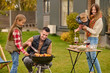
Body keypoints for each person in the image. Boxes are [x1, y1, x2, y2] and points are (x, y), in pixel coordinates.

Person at [83, 4, 103, 73]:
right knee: (88, 56)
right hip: (88, 38)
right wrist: (85, 29)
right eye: (92, 10)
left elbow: (96, 32)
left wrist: (87, 28)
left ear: (97, 10)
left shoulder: (99, 20)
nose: (93, 11)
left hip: (93, 39)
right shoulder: (91, 18)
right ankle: (91, 71)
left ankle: (99, 72)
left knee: (93, 57)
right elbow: (88, 29)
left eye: (95, 10)